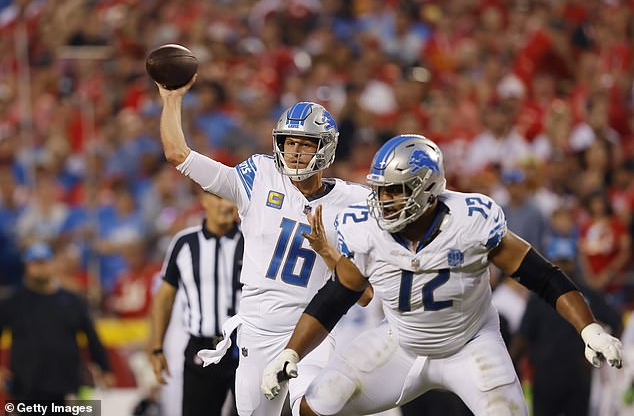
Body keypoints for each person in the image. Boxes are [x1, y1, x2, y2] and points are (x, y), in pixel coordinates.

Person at [261, 134, 623, 416]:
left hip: (471, 344)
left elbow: (541, 275)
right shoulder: (366, 230)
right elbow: (338, 292)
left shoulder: (471, 221)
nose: (383, 200)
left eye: (395, 191)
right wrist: (292, 352)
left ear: (427, 188)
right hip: (401, 342)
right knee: (316, 404)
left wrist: (588, 328)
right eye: (380, 190)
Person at [156, 78, 370, 416]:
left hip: (312, 331)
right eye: (289, 143)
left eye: (306, 144)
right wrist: (171, 99)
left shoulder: (353, 202)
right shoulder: (258, 176)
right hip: (256, 334)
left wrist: (327, 251)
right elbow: (177, 153)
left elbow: (364, 295)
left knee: (313, 409)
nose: (295, 152)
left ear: (325, 148)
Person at [149, 191, 243, 416]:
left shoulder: (251, 241)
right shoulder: (184, 243)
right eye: (217, 197)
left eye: (229, 198)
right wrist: (156, 348)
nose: (224, 205)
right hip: (201, 348)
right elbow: (164, 297)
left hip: (246, 349)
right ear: (203, 200)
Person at [510, 236, 622, 416]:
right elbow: (524, 334)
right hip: (545, 376)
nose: (564, 267)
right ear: (551, 262)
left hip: (578, 376)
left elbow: (616, 322)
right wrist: (511, 362)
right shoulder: (538, 298)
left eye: (567, 261)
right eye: (560, 261)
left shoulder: (587, 294)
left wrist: (604, 354)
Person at [0, 242, 112, 404]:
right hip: (26, 386)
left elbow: (91, 336)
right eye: (36, 263)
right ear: (27, 266)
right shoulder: (13, 302)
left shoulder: (71, 300)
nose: (40, 268)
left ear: (52, 264)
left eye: (44, 262)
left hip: (67, 385)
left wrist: (105, 368)